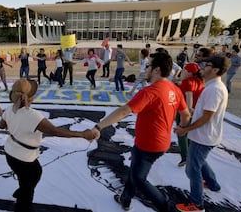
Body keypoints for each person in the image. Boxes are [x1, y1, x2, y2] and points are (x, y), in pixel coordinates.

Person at [92, 52, 190, 212]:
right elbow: (186, 114)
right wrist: (182, 129)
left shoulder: (150, 92)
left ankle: (167, 207)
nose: (145, 69)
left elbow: (124, 111)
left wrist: (98, 127)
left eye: (148, 66)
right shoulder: (174, 89)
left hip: (149, 145)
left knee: (139, 178)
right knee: (135, 170)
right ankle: (125, 199)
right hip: (160, 142)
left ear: (156, 70)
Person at [0, 78, 97, 212]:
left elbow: (1, 125)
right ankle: (22, 203)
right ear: (31, 97)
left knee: (33, 174)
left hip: (10, 152)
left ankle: (21, 191)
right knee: (28, 189)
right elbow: (55, 131)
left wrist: (14, 122)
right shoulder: (33, 115)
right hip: (24, 158)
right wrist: (83, 134)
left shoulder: (10, 109)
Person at [174, 56, 231, 212]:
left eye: (207, 65)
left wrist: (185, 129)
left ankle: (197, 204)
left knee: (192, 169)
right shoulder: (212, 86)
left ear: (215, 70)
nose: (202, 68)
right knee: (200, 162)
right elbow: (204, 112)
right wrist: (192, 111)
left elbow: (207, 117)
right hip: (205, 135)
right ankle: (213, 184)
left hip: (204, 136)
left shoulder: (214, 89)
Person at [176, 62, 204, 167]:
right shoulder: (200, 81)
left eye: (184, 70)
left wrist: (187, 110)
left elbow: (189, 95)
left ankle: (185, 157)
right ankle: (191, 155)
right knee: (189, 134)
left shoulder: (187, 82)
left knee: (181, 133)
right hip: (196, 111)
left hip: (185, 111)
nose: (182, 72)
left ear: (189, 72)